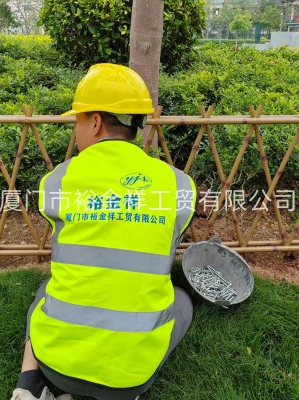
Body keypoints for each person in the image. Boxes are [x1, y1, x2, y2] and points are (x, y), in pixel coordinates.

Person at [11, 63, 197, 400]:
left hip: (55, 364)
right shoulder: (179, 186)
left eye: (78, 120)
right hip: (130, 381)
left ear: (95, 122)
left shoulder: (58, 181)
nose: (76, 129)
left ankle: (29, 385)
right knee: (181, 299)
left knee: (46, 290)